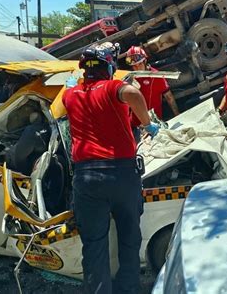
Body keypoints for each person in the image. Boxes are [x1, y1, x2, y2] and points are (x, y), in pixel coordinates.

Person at [62, 42, 159, 294]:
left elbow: (63, 103)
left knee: (94, 243)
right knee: (129, 236)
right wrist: (147, 124)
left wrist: (73, 82)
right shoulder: (112, 86)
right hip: (122, 174)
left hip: (87, 177)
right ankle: (128, 288)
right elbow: (134, 95)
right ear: (109, 66)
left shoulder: (70, 94)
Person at [125, 46, 179, 141]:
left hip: (153, 123)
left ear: (145, 61)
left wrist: (177, 115)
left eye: (139, 64)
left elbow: (169, 97)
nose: (136, 67)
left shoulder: (156, 76)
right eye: (134, 66)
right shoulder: (129, 78)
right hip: (135, 126)